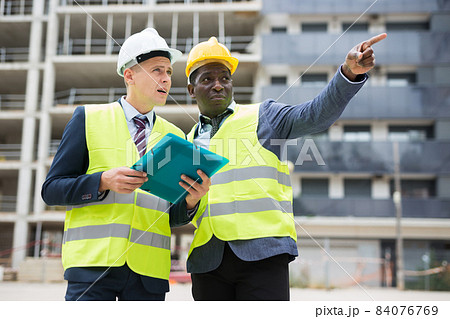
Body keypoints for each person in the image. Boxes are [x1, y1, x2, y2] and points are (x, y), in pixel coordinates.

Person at [184, 34, 387, 300]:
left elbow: (316, 114)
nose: (219, 85)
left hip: (264, 256)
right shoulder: (186, 141)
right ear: (191, 90)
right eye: (207, 79)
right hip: (208, 261)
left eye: (225, 78)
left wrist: (348, 74)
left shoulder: (265, 116)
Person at [41, 28, 210, 301]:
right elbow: (51, 190)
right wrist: (102, 181)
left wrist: (192, 201)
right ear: (129, 75)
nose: (166, 79)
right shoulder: (88, 118)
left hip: (148, 275)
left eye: (168, 72)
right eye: (157, 70)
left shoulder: (175, 137)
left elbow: (172, 215)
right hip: (93, 269)